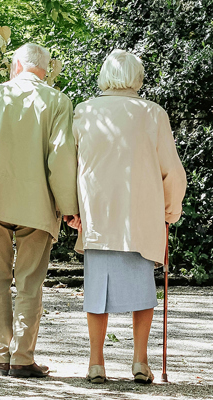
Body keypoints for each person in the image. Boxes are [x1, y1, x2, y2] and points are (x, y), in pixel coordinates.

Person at [0, 43, 80, 378]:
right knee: (29, 283)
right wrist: (69, 207)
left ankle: (1, 356)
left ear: (16, 65)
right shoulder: (58, 101)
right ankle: (22, 359)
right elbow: (62, 157)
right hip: (37, 204)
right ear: (46, 70)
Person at [70, 49, 187, 384]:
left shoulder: (85, 111)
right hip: (141, 216)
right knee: (142, 291)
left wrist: (71, 209)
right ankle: (140, 361)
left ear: (105, 76)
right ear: (138, 77)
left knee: (96, 292)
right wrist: (170, 208)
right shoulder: (152, 114)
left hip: (99, 215)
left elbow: (70, 166)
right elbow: (172, 171)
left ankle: (96, 363)